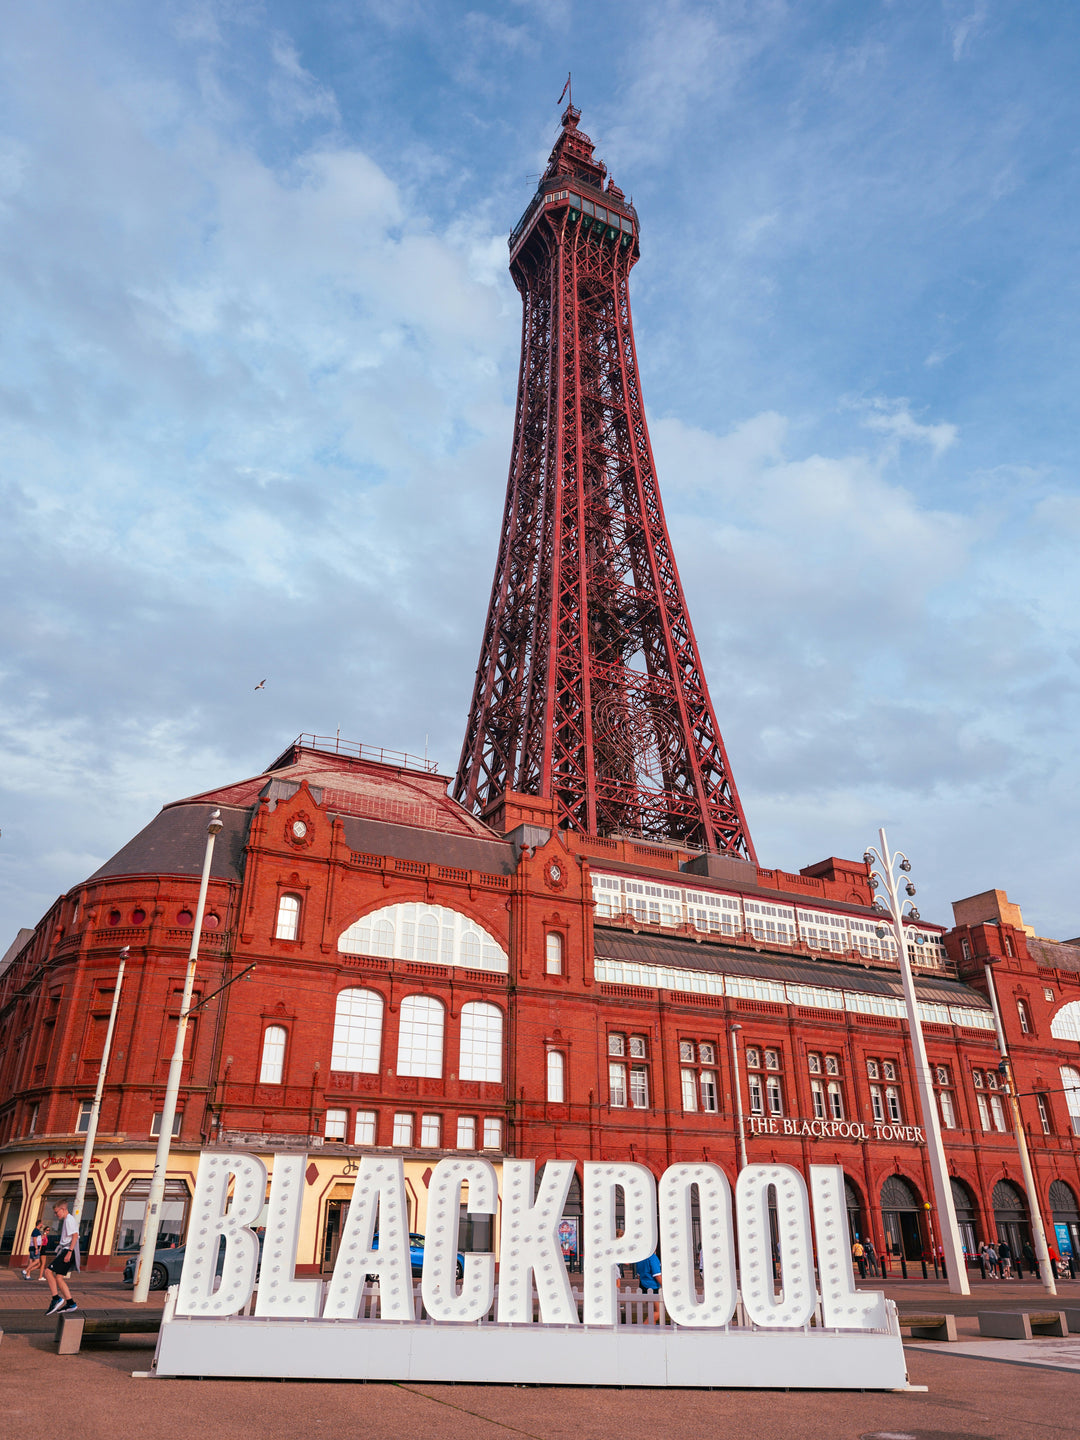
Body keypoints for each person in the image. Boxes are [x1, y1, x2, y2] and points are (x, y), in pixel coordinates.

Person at [44, 1201, 79, 1316]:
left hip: (67, 1250)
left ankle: (56, 1298)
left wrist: (69, 1252)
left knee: (48, 1272)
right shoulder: (68, 1220)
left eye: (56, 1212)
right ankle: (70, 1303)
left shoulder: (69, 1220)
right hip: (66, 1250)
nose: (55, 1215)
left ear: (63, 1209)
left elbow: (74, 1235)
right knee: (58, 1277)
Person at [634, 1251, 662, 1324]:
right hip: (652, 1286)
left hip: (643, 1285)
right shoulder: (652, 1257)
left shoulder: (640, 1257)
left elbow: (639, 1275)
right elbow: (657, 1275)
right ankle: (643, 1327)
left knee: (651, 1312)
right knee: (659, 1311)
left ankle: (651, 1331)